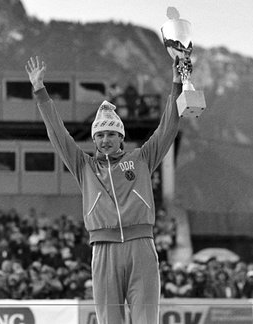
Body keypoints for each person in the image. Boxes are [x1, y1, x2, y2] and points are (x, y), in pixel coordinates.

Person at [25, 55, 184, 324]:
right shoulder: (83, 166)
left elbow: (168, 126)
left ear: (121, 136)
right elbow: (58, 133)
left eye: (111, 134)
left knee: (147, 320)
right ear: (94, 138)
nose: (105, 139)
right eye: (99, 135)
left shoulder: (142, 159)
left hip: (141, 248)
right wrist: (40, 91)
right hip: (103, 251)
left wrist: (177, 83)